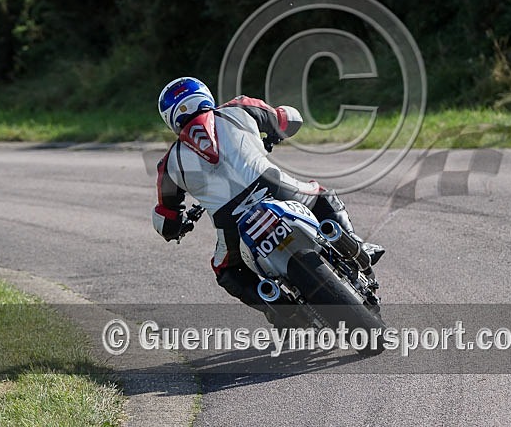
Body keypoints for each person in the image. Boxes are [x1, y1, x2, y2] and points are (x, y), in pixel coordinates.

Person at [151, 76, 384, 322]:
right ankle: (357, 246)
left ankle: (277, 308)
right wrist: (275, 134)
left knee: (226, 270)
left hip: (230, 221)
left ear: (169, 118)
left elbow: (166, 221)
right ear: (205, 96)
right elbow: (288, 119)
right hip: (276, 188)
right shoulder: (239, 108)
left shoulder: (168, 165)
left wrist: (179, 226)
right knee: (320, 194)